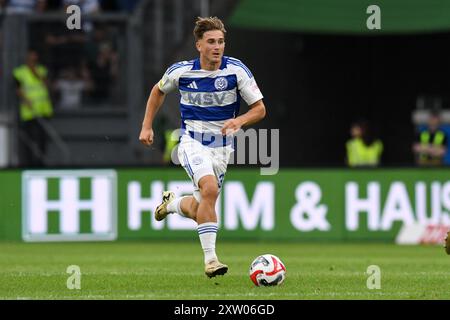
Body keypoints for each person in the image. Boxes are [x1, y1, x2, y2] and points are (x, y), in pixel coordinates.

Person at [139, 17, 266, 278]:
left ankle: (172, 204)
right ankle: (211, 261)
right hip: (192, 142)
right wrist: (147, 126)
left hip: (222, 149)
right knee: (209, 189)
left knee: (200, 208)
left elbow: (260, 109)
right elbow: (158, 91)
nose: (217, 47)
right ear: (199, 45)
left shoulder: (236, 70)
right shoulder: (182, 72)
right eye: (211, 42)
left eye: (220, 42)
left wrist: (239, 121)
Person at [13, 49, 54, 167]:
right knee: (29, 139)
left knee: (42, 139)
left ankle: (41, 163)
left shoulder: (42, 70)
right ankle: (28, 163)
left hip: (43, 110)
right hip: (29, 112)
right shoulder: (19, 72)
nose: (33, 59)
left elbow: (47, 85)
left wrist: (36, 73)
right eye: (31, 56)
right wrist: (25, 100)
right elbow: (18, 88)